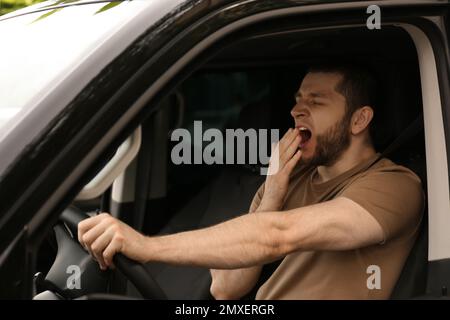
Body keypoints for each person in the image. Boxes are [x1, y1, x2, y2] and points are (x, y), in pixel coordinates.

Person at [78, 64, 424, 299]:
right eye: (297, 101)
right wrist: (272, 192)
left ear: (360, 119)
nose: (297, 111)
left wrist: (147, 247)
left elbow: (277, 235)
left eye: (316, 101)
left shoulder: (394, 185)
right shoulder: (288, 176)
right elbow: (225, 288)